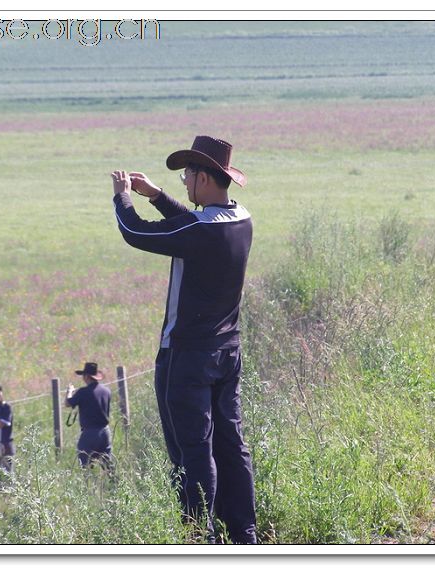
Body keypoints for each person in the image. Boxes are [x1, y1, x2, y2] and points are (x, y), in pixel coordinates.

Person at [111, 135, 257, 544]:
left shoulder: (198, 229)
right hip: (228, 353)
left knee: (192, 454)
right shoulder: (242, 219)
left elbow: (135, 232)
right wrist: (156, 195)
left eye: (188, 173)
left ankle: (200, 540)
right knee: (231, 447)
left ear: (206, 178)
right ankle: (245, 537)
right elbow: (192, 224)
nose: (184, 181)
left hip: (186, 359)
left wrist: (123, 198)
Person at [65, 362, 113, 470]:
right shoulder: (106, 391)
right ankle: (113, 485)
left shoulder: (83, 392)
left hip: (89, 433)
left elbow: (68, 403)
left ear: (87, 376)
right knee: (107, 464)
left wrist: (70, 392)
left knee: (85, 465)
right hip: (105, 432)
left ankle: (88, 485)